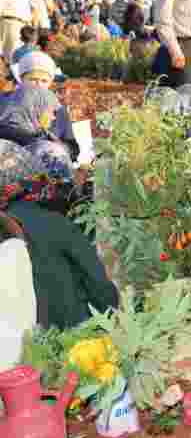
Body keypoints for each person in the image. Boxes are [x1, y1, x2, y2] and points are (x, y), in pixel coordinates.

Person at [0, 141, 118, 329]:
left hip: (21, 351)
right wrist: (114, 318)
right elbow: (98, 283)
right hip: (74, 337)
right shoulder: (55, 223)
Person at [0, 84, 74, 181]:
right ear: (35, 110)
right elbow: (66, 188)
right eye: (51, 111)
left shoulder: (7, 139)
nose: (53, 117)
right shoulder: (45, 150)